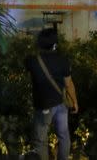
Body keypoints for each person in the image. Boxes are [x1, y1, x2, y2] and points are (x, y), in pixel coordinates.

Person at [24, 28, 78, 160]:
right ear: (55, 45)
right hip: (61, 104)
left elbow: (28, 73)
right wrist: (75, 102)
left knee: (41, 140)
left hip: (43, 106)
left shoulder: (32, 60)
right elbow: (68, 84)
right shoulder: (63, 60)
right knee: (64, 136)